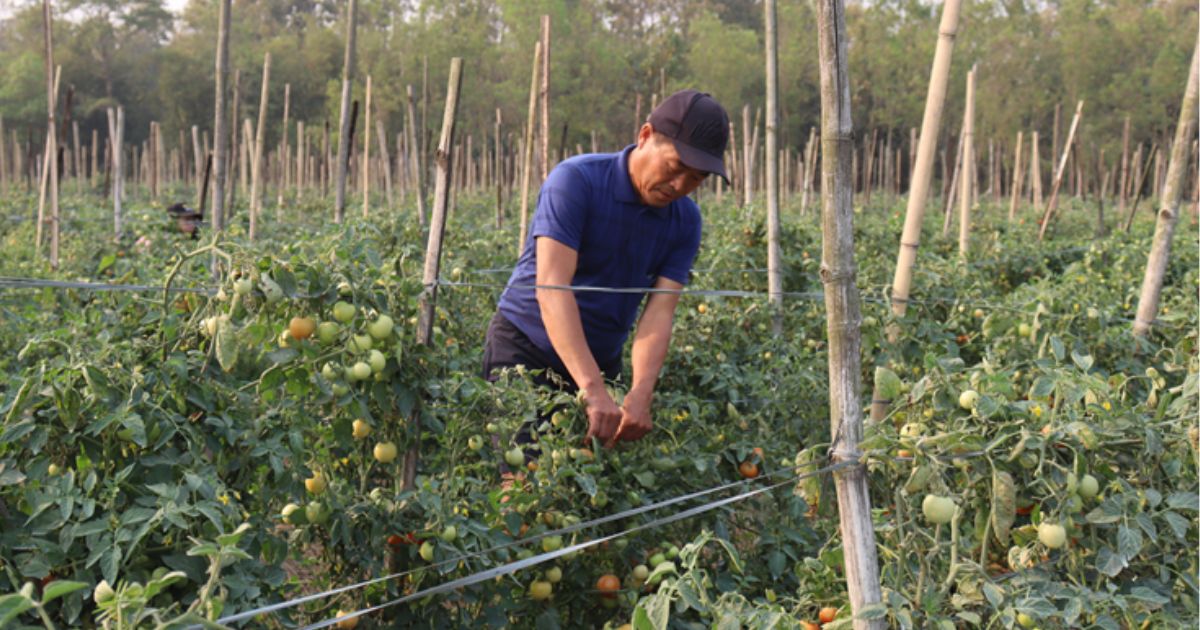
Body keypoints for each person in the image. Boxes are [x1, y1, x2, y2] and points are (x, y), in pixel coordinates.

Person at [482, 88, 730, 452]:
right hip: (526, 350)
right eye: (676, 167)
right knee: (522, 485)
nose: (680, 186)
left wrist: (641, 391)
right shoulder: (577, 181)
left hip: (600, 361)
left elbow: (659, 312)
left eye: (696, 180)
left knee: (583, 490)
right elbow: (552, 288)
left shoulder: (686, 220)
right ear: (645, 136)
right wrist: (592, 389)